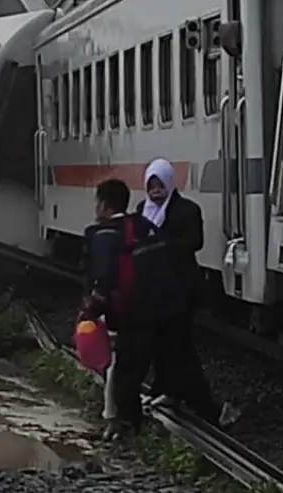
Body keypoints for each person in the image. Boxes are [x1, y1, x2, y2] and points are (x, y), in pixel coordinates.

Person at [82, 177, 186, 440]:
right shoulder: (143, 224)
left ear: (104, 204)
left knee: (125, 370)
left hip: (133, 312)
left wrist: (91, 310)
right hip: (166, 307)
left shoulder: (104, 235)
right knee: (150, 364)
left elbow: (104, 279)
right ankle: (190, 409)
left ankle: (127, 426)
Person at [138, 158, 239, 429]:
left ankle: (207, 407)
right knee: (163, 341)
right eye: (151, 185)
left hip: (180, 287)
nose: (155, 190)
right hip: (153, 289)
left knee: (179, 344)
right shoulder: (142, 210)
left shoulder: (187, 209)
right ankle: (168, 391)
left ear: (170, 183)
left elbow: (195, 242)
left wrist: (161, 244)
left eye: (160, 185)